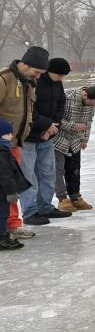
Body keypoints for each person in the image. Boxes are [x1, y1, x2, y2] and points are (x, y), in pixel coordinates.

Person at [0, 47, 48, 240]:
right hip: (3, 144)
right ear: (25, 64)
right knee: (4, 188)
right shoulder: (4, 79)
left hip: (15, 144)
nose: (38, 76)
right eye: (37, 71)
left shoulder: (29, 82)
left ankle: (12, 225)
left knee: (10, 188)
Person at [20, 57, 70, 225]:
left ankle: (45, 207)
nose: (61, 79)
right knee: (29, 175)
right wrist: (46, 125)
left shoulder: (58, 84)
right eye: (59, 75)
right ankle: (29, 212)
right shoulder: (34, 81)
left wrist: (52, 127)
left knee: (48, 173)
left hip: (47, 136)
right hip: (27, 137)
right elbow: (28, 109)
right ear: (48, 71)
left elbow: (61, 105)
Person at [53, 86, 95, 212]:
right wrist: (73, 126)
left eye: (93, 105)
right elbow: (55, 118)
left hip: (75, 140)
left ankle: (75, 197)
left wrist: (84, 139)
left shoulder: (91, 103)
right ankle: (62, 199)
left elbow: (88, 122)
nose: (91, 107)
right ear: (85, 94)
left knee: (74, 169)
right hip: (58, 139)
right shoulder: (67, 97)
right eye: (90, 104)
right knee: (58, 169)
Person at [0, 118, 31, 250]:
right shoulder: (2, 154)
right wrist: (11, 192)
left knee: (3, 214)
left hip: (3, 192)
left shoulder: (4, 150)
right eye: (7, 134)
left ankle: (3, 235)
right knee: (2, 214)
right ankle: (1, 238)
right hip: (3, 193)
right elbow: (5, 176)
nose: (11, 136)